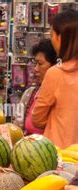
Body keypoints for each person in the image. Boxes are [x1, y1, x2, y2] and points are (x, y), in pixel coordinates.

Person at [32, 10, 78, 148]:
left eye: (52, 34)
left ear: (60, 38)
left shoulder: (55, 74)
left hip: (59, 154)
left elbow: (38, 119)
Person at [12, 40, 57, 135]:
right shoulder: (29, 94)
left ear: (55, 66)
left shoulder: (63, 97)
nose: (35, 69)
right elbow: (16, 127)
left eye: (40, 64)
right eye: (35, 63)